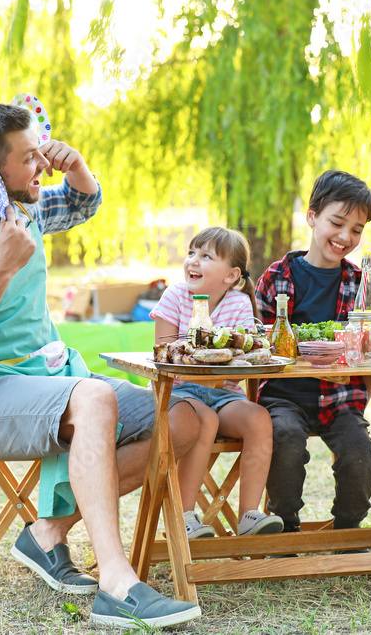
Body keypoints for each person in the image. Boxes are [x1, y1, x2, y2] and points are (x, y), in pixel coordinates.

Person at [0, 103, 202, 628]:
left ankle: (46, 535)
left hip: (49, 378)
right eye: (29, 157)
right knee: (94, 397)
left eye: (41, 152)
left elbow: (82, 203)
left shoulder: (26, 202)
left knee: (185, 418)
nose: (42, 165)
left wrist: (79, 166)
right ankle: (117, 584)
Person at [255, 171, 371, 537]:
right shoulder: (277, 277)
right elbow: (261, 344)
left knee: (360, 453)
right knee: (286, 441)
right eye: (337, 223)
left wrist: (358, 395)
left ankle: (347, 530)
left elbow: (370, 346)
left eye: (356, 230)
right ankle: (285, 527)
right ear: (311, 217)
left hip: (341, 399)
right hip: (284, 398)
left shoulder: (360, 284)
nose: (345, 237)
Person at [151, 226, 284, 539]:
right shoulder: (175, 296)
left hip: (224, 393)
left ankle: (249, 515)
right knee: (205, 421)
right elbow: (164, 354)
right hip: (178, 392)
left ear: (231, 274)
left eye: (206, 256)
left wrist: (230, 360)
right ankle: (183, 516)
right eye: (191, 253)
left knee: (259, 418)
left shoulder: (238, 304)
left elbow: (242, 364)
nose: (193, 261)